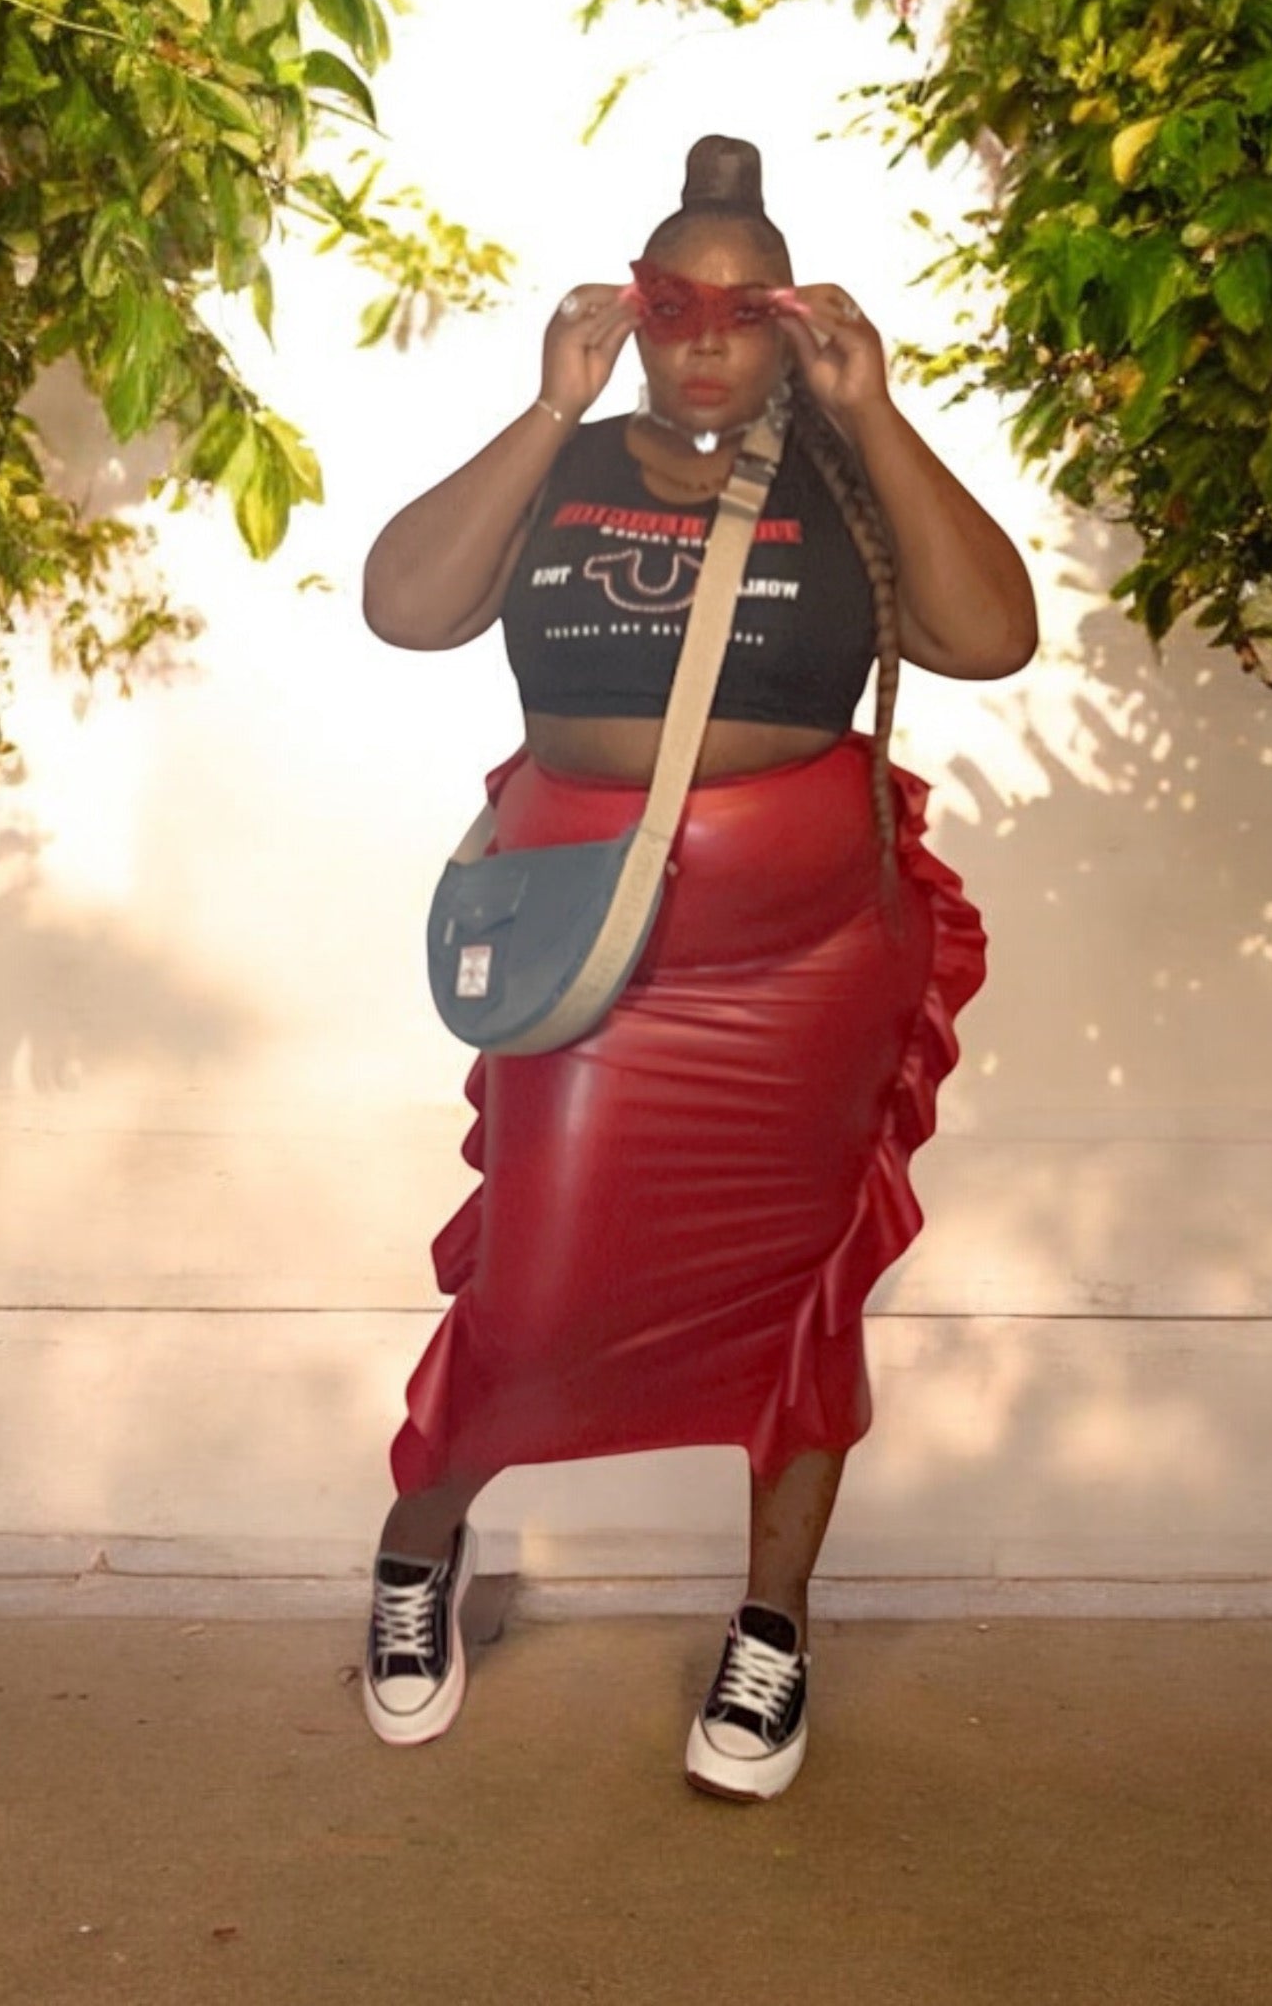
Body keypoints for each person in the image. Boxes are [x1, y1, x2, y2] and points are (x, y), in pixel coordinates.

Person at [358, 134, 1036, 1801]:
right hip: (589, 958)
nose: (709, 332)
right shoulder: (569, 459)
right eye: (677, 301)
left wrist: (873, 411)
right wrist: (543, 404)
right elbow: (405, 607)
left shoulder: (842, 479)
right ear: (636, 314)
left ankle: (774, 1625)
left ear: (795, 320)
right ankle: (416, 1549)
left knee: (804, 1290)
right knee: (535, 1281)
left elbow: (991, 638)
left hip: (806, 966)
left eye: (749, 305)